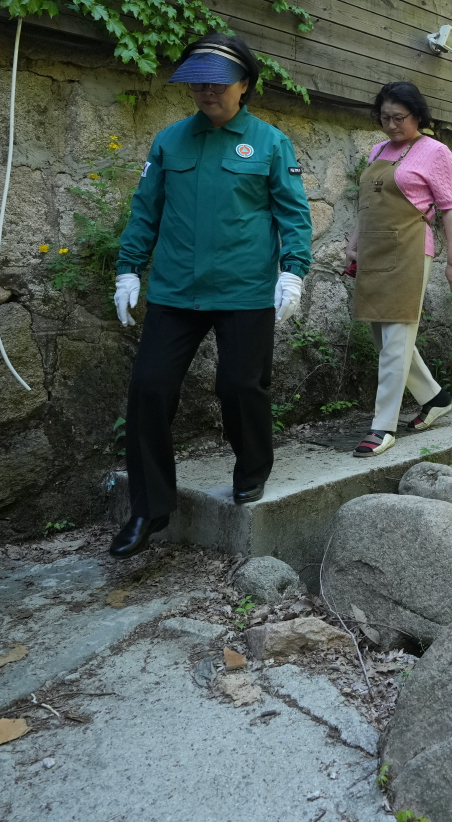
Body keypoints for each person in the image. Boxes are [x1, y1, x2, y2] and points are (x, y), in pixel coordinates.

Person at [108, 34, 312, 559]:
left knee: (240, 385)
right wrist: (128, 270)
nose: (207, 91)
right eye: (198, 81)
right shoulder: (170, 141)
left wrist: (293, 272)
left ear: (245, 85)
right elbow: (146, 210)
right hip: (177, 288)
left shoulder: (269, 143)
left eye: (219, 82)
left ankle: (251, 471)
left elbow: (293, 213)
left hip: (244, 289)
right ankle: (149, 508)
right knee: (149, 386)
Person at [345, 82, 452, 457]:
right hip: (375, 250)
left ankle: (382, 426)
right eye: (385, 118)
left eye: (399, 118)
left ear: (418, 115)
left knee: (397, 337)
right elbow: (365, 206)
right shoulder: (377, 150)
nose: (392, 125)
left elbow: (449, 210)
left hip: (413, 252)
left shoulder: (435, 152)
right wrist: (353, 245)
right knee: (386, 339)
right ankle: (435, 398)